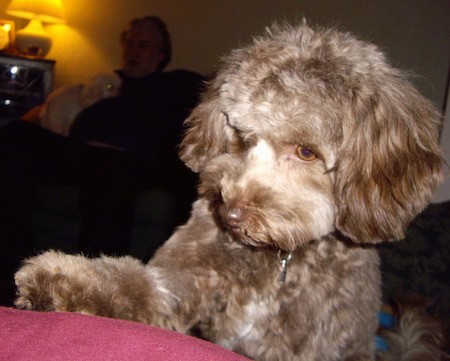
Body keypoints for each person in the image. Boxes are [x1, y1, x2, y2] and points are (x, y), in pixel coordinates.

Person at [0, 16, 204, 305]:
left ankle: (93, 290)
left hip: (126, 160)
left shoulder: (173, 84)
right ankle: (12, 261)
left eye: (142, 45)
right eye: (129, 43)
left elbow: (216, 87)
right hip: (76, 152)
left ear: (161, 55)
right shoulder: (107, 82)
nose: (132, 50)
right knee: (16, 134)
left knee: (112, 172)